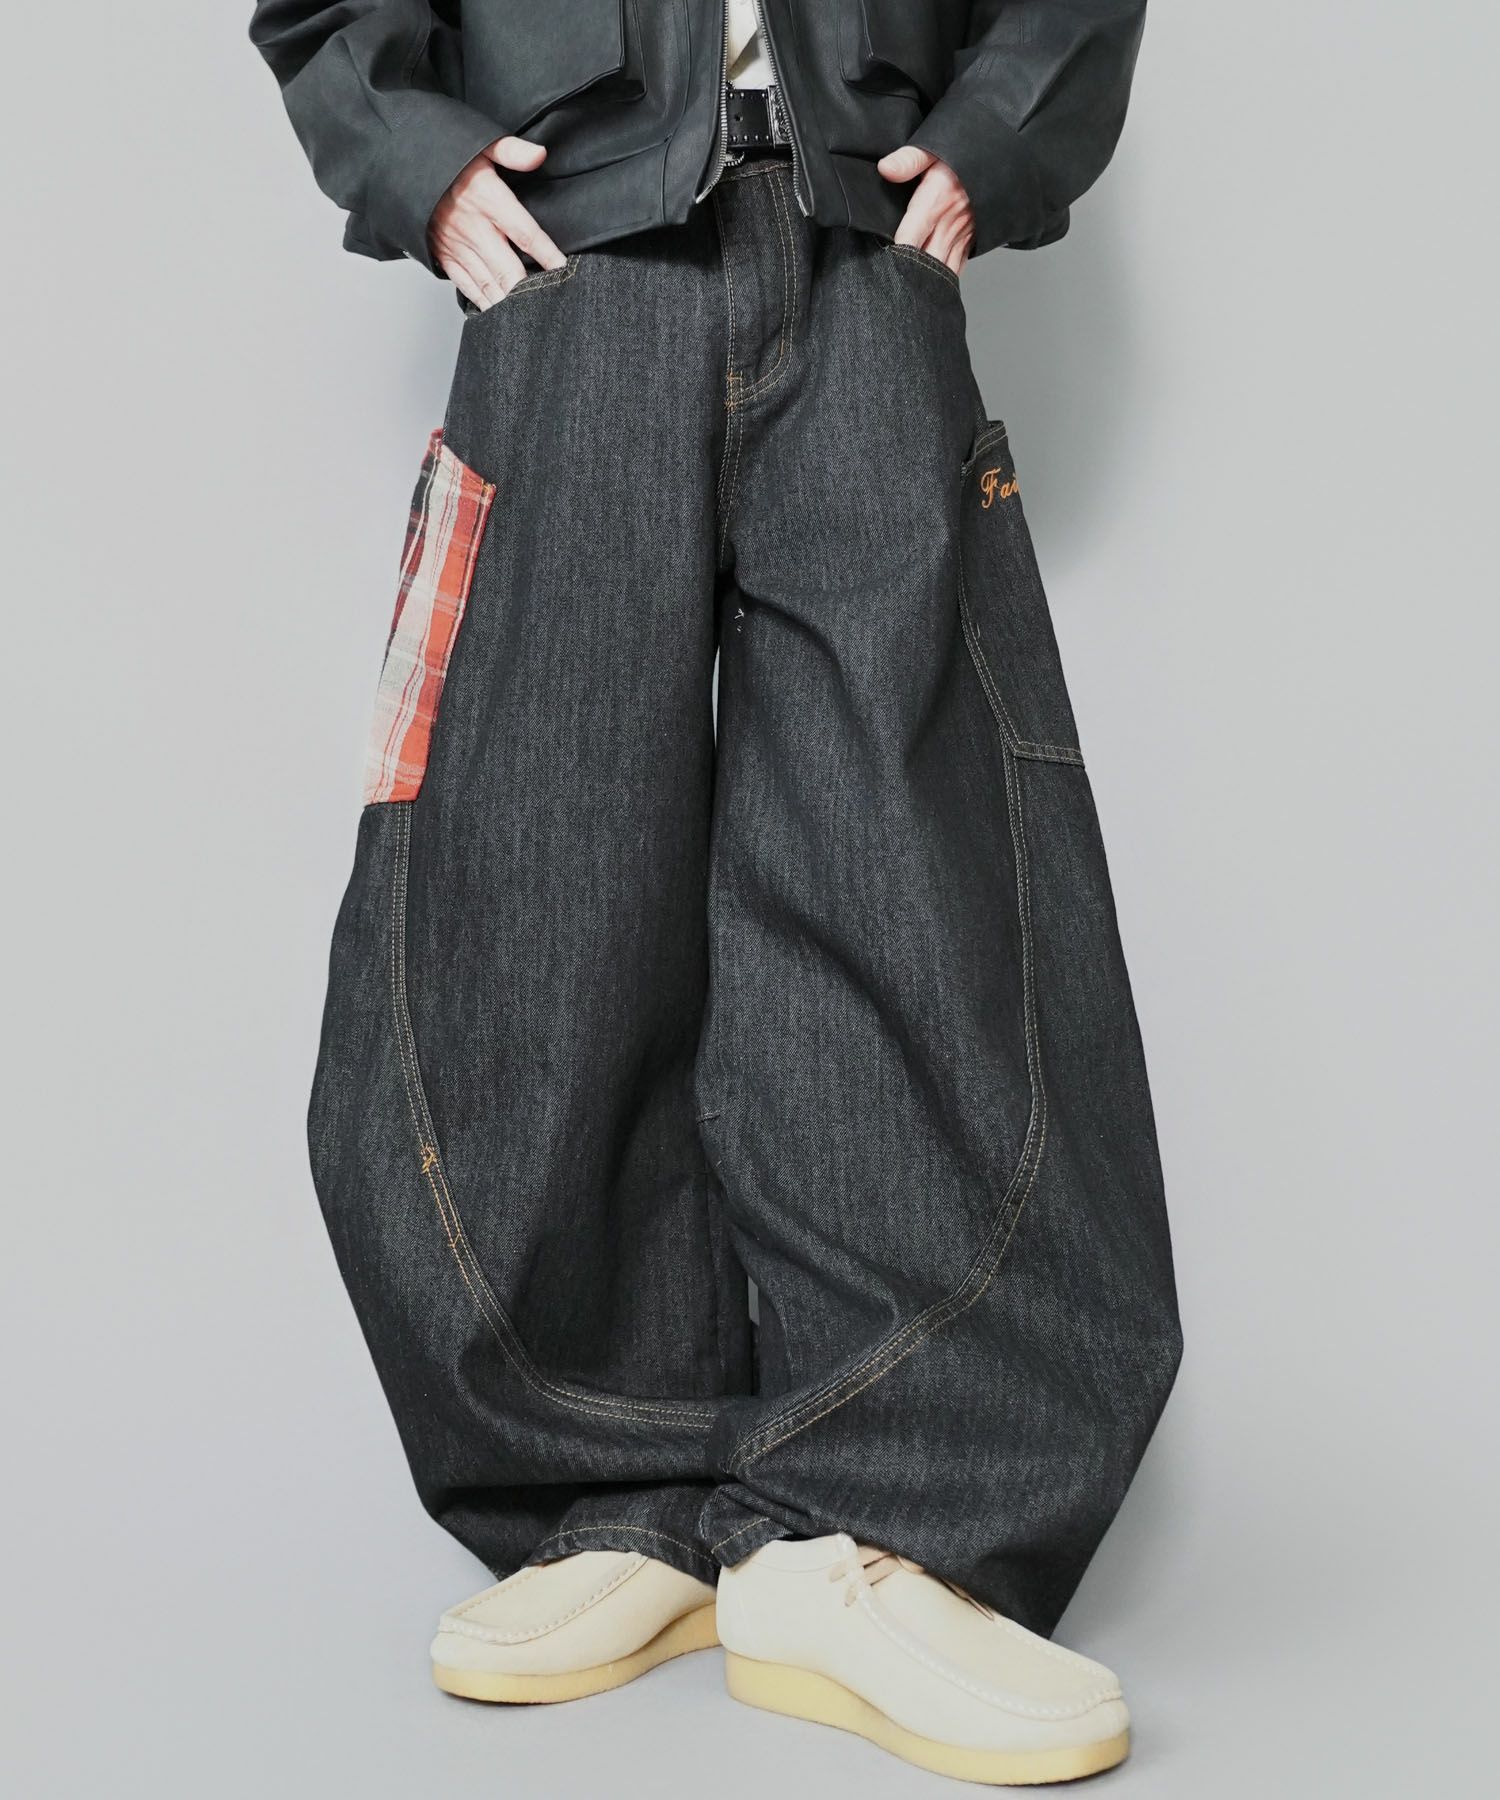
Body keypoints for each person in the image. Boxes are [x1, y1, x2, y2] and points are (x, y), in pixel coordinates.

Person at [250, 0, 1181, 1784]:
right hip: (572, 251)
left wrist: (996, 134)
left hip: (859, 237)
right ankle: (612, 1485)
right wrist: (411, 154)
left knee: (909, 870)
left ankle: (882, 1522)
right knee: (531, 874)